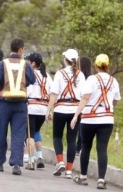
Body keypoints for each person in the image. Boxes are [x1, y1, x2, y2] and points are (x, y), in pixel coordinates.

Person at [71, 54, 121, 189]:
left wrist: (76, 115)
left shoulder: (91, 80)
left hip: (89, 119)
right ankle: (101, 179)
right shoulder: (113, 81)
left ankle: (83, 177)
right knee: (102, 148)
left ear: (96, 65)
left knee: (86, 147)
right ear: (108, 65)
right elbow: (115, 100)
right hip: (107, 119)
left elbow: (85, 97)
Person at [0, 38, 35, 175]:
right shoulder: (26, 65)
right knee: (18, 134)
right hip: (20, 104)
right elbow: (32, 80)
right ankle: (16, 165)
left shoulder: (3, 64)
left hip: (4, 103)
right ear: (20, 50)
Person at [45, 49, 85, 179]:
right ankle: (68, 171)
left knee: (57, 136)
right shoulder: (81, 75)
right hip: (75, 111)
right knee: (72, 139)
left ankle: (60, 161)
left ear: (65, 59)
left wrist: (48, 110)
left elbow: (54, 94)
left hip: (60, 109)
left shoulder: (59, 74)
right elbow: (84, 96)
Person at [24, 53, 53, 170]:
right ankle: (40, 156)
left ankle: (31, 160)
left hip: (31, 106)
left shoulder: (30, 74)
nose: (27, 63)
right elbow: (52, 92)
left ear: (33, 63)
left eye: (28, 61)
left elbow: (26, 91)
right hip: (43, 108)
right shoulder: (47, 76)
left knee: (29, 134)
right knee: (36, 131)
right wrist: (49, 110)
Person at [76, 56, 92, 156]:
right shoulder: (91, 78)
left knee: (80, 127)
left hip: (81, 104)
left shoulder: (80, 78)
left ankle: (78, 148)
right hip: (89, 106)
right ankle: (80, 147)